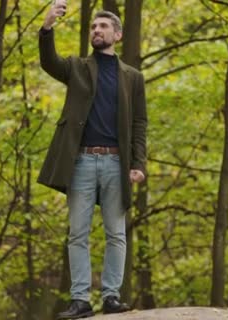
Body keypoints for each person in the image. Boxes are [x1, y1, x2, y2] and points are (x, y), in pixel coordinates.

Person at [37, 1, 147, 319]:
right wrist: (46, 28)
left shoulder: (133, 78)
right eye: (93, 27)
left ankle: (112, 296)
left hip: (117, 163)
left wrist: (138, 163)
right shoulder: (77, 67)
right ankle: (80, 300)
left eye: (102, 27)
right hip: (82, 162)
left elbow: (139, 122)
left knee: (116, 233)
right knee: (78, 233)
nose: (96, 31)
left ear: (117, 34)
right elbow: (49, 62)